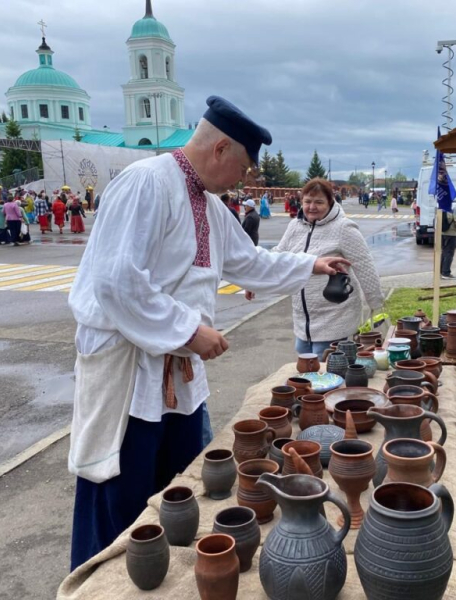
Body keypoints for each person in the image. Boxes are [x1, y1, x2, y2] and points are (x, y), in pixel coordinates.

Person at [66, 95, 351, 570]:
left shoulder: (209, 203)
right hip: (129, 371)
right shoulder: (146, 182)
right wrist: (188, 330)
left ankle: (172, 573)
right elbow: (116, 280)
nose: (243, 180)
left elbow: (250, 262)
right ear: (219, 149)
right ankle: (105, 578)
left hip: (177, 373)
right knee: (122, 488)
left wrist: (312, 265)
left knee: (181, 486)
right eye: (241, 168)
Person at [247, 178, 384, 355]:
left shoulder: (344, 228)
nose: (312, 207)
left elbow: (365, 267)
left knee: (325, 368)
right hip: (303, 320)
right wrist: (253, 280)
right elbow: (277, 256)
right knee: (305, 363)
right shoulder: (295, 226)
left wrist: (377, 306)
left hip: (335, 316)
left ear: (330, 202)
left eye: (319, 202)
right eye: (307, 201)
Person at [440, 201, 456, 280]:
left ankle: (441, 271)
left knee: (444, 252)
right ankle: (446, 272)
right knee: (449, 253)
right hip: (451, 232)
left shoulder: (443, 204)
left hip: (442, 232)